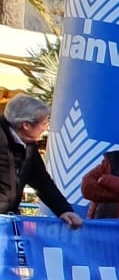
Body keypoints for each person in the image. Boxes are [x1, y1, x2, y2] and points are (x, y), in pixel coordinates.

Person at [0, 95, 83, 230]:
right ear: (26, 125)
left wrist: (64, 210)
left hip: (7, 221)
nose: (46, 128)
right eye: (44, 123)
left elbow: (42, 181)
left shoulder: (28, 145)